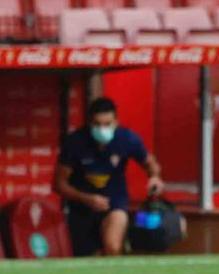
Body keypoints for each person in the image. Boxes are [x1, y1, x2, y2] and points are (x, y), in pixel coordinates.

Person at [55, 97, 165, 257]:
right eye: (97, 124)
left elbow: (149, 162)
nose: (102, 129)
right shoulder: (75, 143)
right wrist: (86, 198)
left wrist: (154, 176)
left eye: (107, 124)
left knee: (112, 246)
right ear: (89, 123)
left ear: (116, 122)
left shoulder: (127, 139)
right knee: (90, 259)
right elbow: (59, 184)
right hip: (82, 211)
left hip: (115, 204)